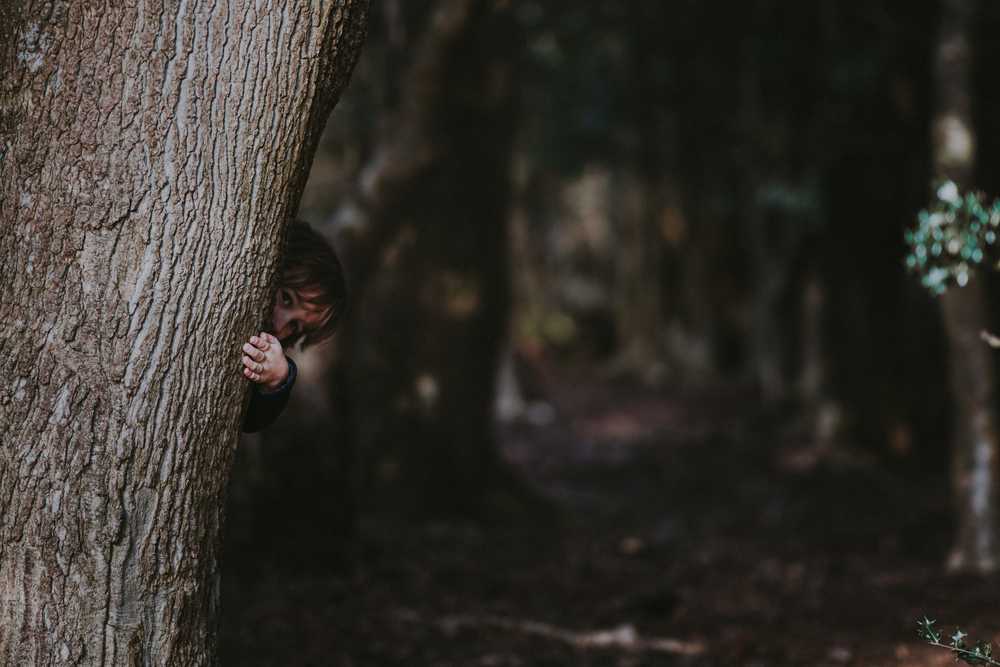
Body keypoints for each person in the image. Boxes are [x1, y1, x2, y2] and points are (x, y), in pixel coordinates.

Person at [241, 220, 347, 433]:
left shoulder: (265, 361)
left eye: (295, 326)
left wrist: (277, 380)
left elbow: (249, 420)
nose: (279, 324)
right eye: (286, 298)